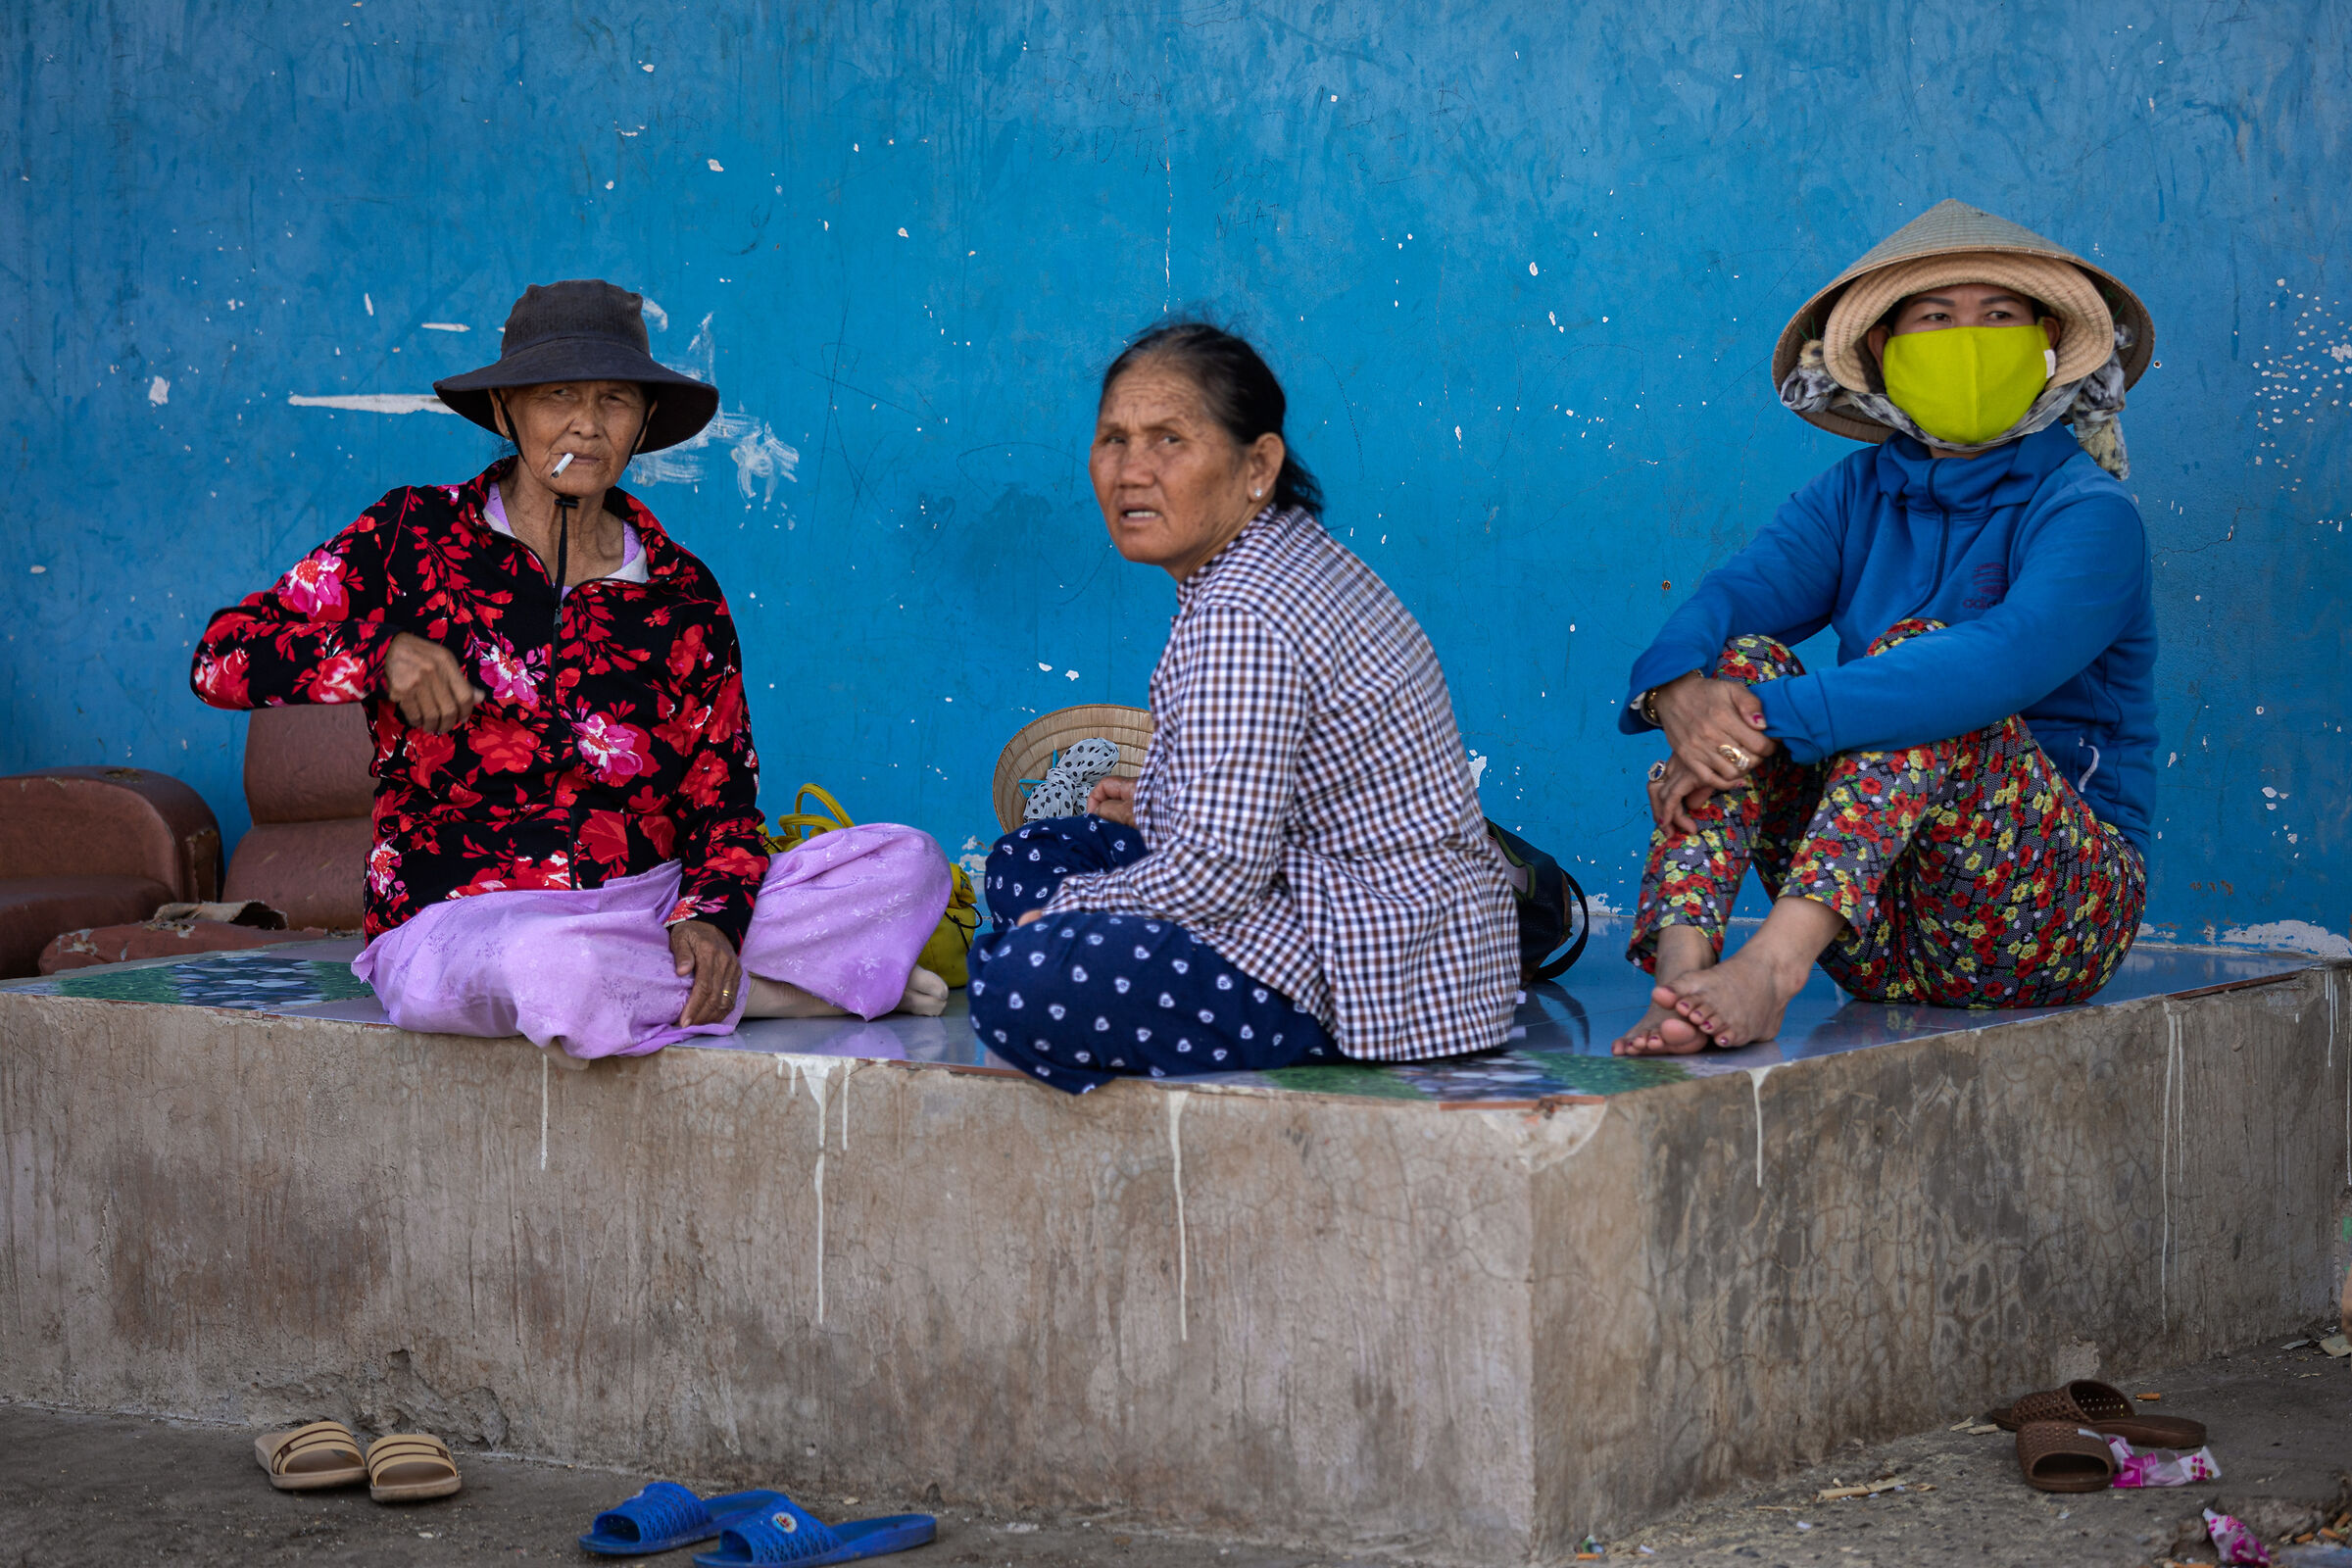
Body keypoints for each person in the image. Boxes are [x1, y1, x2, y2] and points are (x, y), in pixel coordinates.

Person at [191, 279, 949, 1057]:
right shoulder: (411, 537)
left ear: (645, 421)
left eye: (615, 400)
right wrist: (378, 655)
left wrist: (712, 921)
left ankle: (675, 984)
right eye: (559, 395)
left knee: (908, 865)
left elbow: (724, 803)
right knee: (549, 965)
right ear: (504, 410)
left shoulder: (682, 594)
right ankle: (770, 994)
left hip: (646, 909)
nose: (587, 426)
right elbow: (221, 658)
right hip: (464, 920)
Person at [1612, 200, 2157, 1055]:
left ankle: (1772, 970)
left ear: (2046, 341)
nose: (1968, 340)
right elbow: (1737, 596)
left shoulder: (2088, 511)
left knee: (1919, 669)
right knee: (1738, 660)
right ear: (1882, 354)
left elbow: (1992, 666)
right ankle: (1684, 978)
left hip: (2050, 922)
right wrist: (1683, 696)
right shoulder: (1858, 492)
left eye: (2000, 317)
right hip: (1876, 925)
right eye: (1936, 319)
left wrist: (1758, 718)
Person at [967, 322, 1518, 1093]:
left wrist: (1064, 914)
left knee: (1017, 979)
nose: (1132, 471)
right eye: (1113, 440)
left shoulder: (1245, 613)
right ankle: (1068, 950)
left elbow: (1220, 872)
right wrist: (1159, 800)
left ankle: (1057, 969)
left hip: (1364, 964)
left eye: (1168, 440)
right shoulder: (1272, 559)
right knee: (1027, 858)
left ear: (1258, 464)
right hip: (1365, 916)